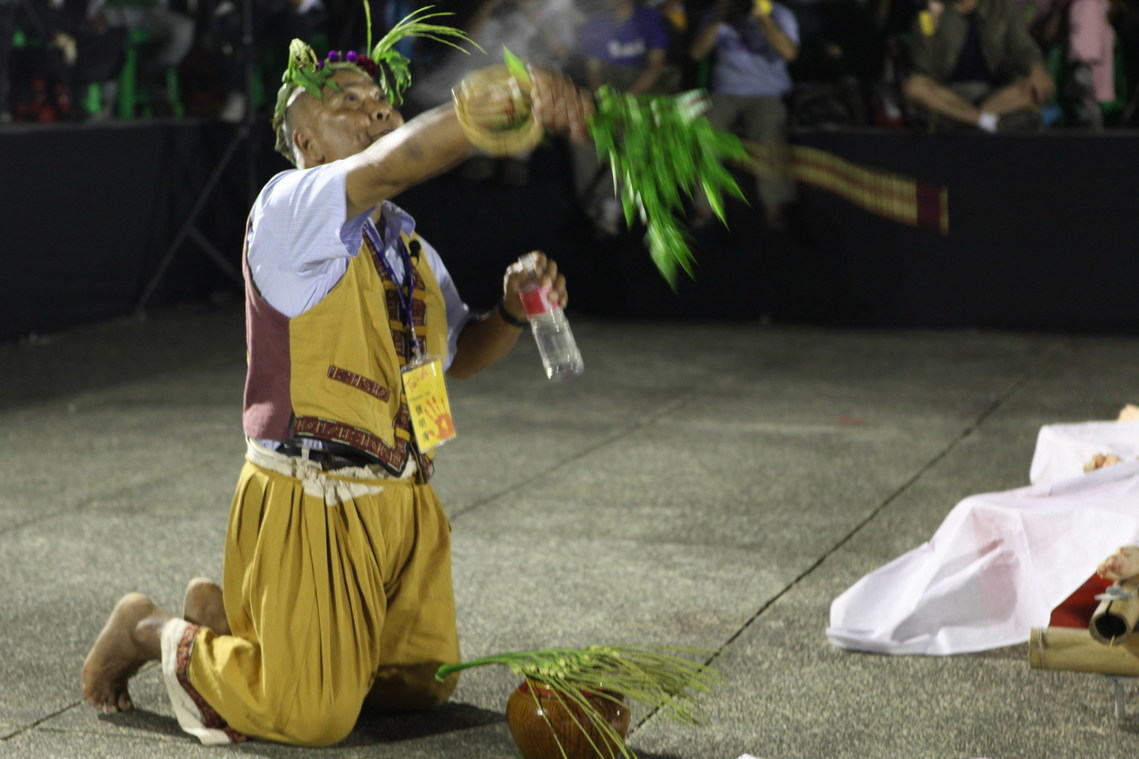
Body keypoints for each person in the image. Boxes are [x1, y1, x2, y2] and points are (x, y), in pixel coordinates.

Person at [80, 16, 593, 746]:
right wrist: (486, 111)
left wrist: (511, 312)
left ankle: (232, 618)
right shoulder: (288, 207)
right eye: (346, 102)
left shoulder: (409, 248)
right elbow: (390, 165)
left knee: (421, 685)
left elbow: (455, 360)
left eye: (380, 102)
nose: (375, 109)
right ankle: (148, 627)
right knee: (314, 713)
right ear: (306, 144)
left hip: (402, 499)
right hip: (311, 496)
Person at [689, 0, 799, 230]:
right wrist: (719, 18)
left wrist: (764, 19)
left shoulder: (781, 14)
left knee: (769, 130)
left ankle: (776, 207)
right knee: (705, 130)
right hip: (725, 93)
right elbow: (697, 53)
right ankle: (704, 207)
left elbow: (789, 53)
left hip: (767, 93)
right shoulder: (719, 11)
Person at [574, 0, 677, 234]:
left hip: (641, 86)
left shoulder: (649, 19)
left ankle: (611, 201)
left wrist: (626, 101)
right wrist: (606, 99)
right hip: (606, 87)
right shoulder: (596, 22)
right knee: (581, 134)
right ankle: (589, 202)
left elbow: (655, 67)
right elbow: (593, 71)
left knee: (635, 136)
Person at [902, 0, 1055, 132]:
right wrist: (929, 33)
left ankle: (970, 119)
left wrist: (1037, 70)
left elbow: (1024, 47)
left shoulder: (999, 8)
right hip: (949, 94)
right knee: (914, 86)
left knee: (1040, 85)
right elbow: (924, 68)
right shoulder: (933, 12)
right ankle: (984, 121)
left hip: (997, 95)